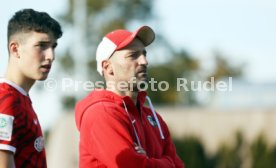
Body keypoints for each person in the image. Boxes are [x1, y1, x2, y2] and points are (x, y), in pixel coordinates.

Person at [75, 25, 184, 167]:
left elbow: (179, 165)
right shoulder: (100, 113)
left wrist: (148, 162)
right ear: (108, 68)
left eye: (144, 54)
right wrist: (166, 162)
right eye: (133, 55)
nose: (144, 61)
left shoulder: (152, 116)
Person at [0, 9, 62, 167]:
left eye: (53, 47)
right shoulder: (5, 100)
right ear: (15, 49)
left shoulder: (19, 98)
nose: (51, 56)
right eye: (41, 46)